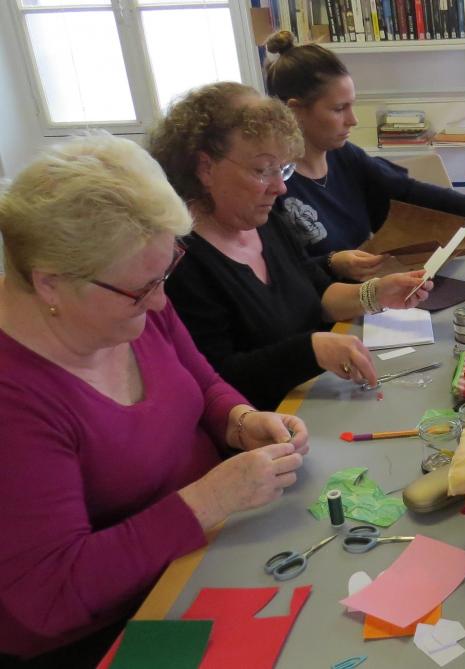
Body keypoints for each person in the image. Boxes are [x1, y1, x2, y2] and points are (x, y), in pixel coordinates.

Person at [0, 135, 308, 666]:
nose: (162, 300)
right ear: (49, 284)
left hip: (204, 557)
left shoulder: (131, 296)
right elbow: (47, 595)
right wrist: (211, 499)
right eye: (144, 287)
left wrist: (240, 420)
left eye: (166, 272)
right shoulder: (15, 398)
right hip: (112, 629)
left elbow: (202, 385)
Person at [150, 82, 432, 410]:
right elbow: (218, 379)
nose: (280, 187)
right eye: (261, 170)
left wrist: (376, 293)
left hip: (318, 397)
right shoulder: (180, 261)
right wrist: (311, 351)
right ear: (205, 167)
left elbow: (312, 292)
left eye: (282, 169)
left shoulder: (265, 221)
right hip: (273, 425)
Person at [263, 31, 465, 281]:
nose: (353, 120)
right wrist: (331, 263)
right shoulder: (274, 187)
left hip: (374, 297)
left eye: (353, 106)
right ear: (295, 110)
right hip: (330, 319)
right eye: (339, 109)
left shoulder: (346, 157)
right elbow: (280, 276)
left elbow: (410, 192)